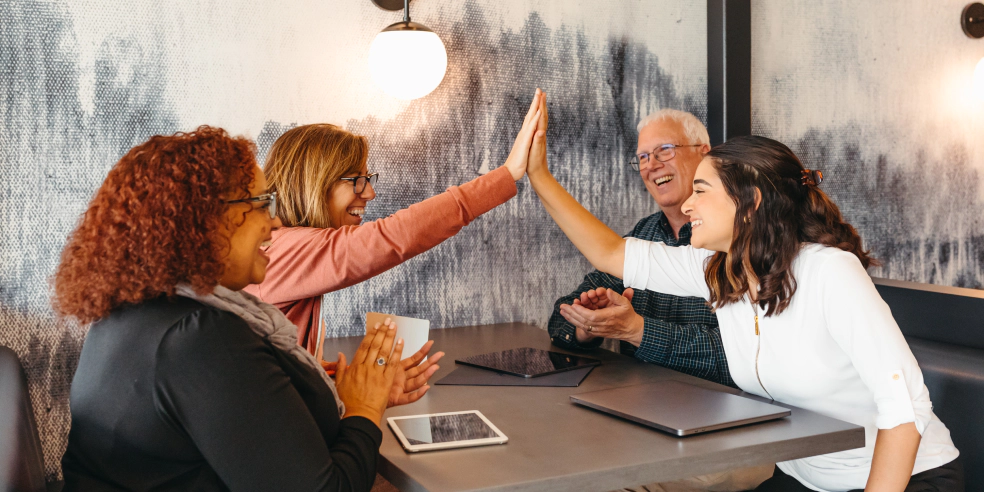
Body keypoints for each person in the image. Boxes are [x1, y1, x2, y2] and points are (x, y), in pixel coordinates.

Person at [523, 92, 963, 491]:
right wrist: (538, 174)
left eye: (701, 190)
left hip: (904, 478)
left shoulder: (829, 272)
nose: (688, 205)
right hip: (803, 477)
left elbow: (905, 409)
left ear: (750, 202)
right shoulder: (719, 271)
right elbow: (611, 253)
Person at [52, 126, 452, 491]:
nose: (274, 223)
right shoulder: (200, 339)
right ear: (208, 221)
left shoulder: (136, 312)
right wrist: (364, 409)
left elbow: (249, 412)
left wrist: (358, 391)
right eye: (261, 204)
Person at [245, 92, 542, 360]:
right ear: (314, 183)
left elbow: (285, 363)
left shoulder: (283, 246)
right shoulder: (282, 249)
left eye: (368, 179)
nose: (369, 193)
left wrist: (346, 377)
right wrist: (506, 175)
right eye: (356, 181)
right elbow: (394, 236)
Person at [547, 109, 734, 388]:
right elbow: (560, 319)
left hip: (722, 411)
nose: (651, 165)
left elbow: (739, 358)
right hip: (637, 405)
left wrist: (638, 331)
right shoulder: (640, 236)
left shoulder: (734, 245)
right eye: (643, 157)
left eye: (665, 150)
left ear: (704, 153)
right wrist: (589, 323)